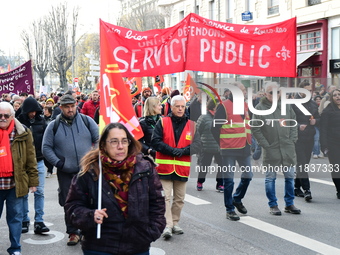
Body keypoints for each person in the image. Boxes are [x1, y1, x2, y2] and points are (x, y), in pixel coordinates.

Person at [64, 122, 166, 255]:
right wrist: (90, 215)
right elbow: (72, 207)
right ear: (103, 145)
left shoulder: (145, 168)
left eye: (124, 141)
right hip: (100, 246)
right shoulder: (90, 171)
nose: (120, 146)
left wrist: (151, 232)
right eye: (113, 141)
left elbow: (157, 204)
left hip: (137, 245)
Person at [42, 94, 99, 246]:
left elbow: (99, 139)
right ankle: (73, 232)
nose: (70, 109)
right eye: (67, 107)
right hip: (66, 172)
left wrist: (92, 158)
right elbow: (46, 147)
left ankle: (87, 231)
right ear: (61, 108)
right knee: (69, 202)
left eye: (72, 106)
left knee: (90, 200)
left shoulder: (87, 121)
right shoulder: (53, 126)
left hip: (87, 170)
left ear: (76, 106)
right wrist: (59, 163)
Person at [151, 95, 201, 239]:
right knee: (165, 197)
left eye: (182, 107)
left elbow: (198, 145)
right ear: (171, 107)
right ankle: (168, 225)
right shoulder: (163, 121)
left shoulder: (193, 124)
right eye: (177, 106)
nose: (180, 109)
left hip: (182, 169)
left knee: (179, 199)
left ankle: (175, 222)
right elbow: (155, 142)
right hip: (164, 168)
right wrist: (172, 150)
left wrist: (183, 151)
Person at [252, 82, 301, 216]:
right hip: (271, 149)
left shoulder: (286, 107)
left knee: (290, 177)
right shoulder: (260, 108)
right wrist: (265, 143)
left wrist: (292, 139)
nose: (274, 95)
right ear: (265, 93)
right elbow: (255, 128)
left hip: (287, 148)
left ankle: (289, 204)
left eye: (277, 92)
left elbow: (293, 123)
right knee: (270, 178)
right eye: (271, 92)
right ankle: (273, 204)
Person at [0, 102, 38, 255]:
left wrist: (33, 181)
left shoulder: (23, 132)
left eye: (6, 116)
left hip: (16, 183)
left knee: (15, 219)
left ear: (12, 116)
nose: (2, 118)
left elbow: (31, 157)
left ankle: (15, 248)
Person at [211, 82, 253, 221]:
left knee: (248, 175)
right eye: (242, 90)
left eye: (244, 90)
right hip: (228, 148)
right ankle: (229, 209)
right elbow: (214, 128)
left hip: (244, 146)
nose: (245, 92)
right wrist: (222, 143)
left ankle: (237, 198)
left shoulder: (246, 106)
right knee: (229, 181)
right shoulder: (223, 106)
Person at [16, 96, 50, 234]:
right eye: (31, 111)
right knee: (23, 193)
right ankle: (25, 220)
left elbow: (47, 141)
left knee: (39, 192)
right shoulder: (18, 123)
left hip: (39, 161)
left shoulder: (41, 122)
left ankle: (39, 221)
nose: (33, 114)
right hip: (23, 163)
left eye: (35, 111)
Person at [292, 80, 320, 201]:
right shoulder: (293, 103)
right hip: (297, 137)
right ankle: (307, 190)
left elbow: (318, 118)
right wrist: (298, 125)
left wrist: (316, 121)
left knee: (304, 164)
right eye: (306, 91)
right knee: (302, 164)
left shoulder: (313, 104)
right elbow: (288, 119)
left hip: (310, 137)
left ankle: (296, 187)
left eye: (310, 90)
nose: (308, 93)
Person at [196, 98, 223, 192]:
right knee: (204, 165)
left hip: (219, 146)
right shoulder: (204, 117)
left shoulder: (222, 116)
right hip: (206, 146)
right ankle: (200, 181)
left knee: (222, 166)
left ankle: (220, 184)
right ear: (213, 107)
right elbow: (197, 131)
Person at [320, 88, 340, 199]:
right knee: (336, 168)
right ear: (332, 98)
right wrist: (324, 146)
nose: (338, 97)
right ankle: (339, 189)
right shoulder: (328, 111)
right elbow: (323, 129)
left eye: (339, 94)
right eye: (335, 95)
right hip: (333, 144)